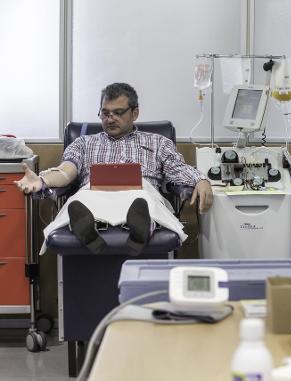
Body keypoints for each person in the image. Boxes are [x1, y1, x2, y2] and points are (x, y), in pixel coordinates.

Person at [15, 82, 213, 255]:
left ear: (134, 113)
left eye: (118, 113)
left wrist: (200, 179)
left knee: (144, 201)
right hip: (94, 192)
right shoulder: (83, 143)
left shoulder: (157, 142)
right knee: (81, 200)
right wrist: (43, 180)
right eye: (105, 113)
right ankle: (90, 230)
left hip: (141, 192)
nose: (110, 119)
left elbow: (177, 169)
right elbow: (66, 171)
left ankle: (139, 228)